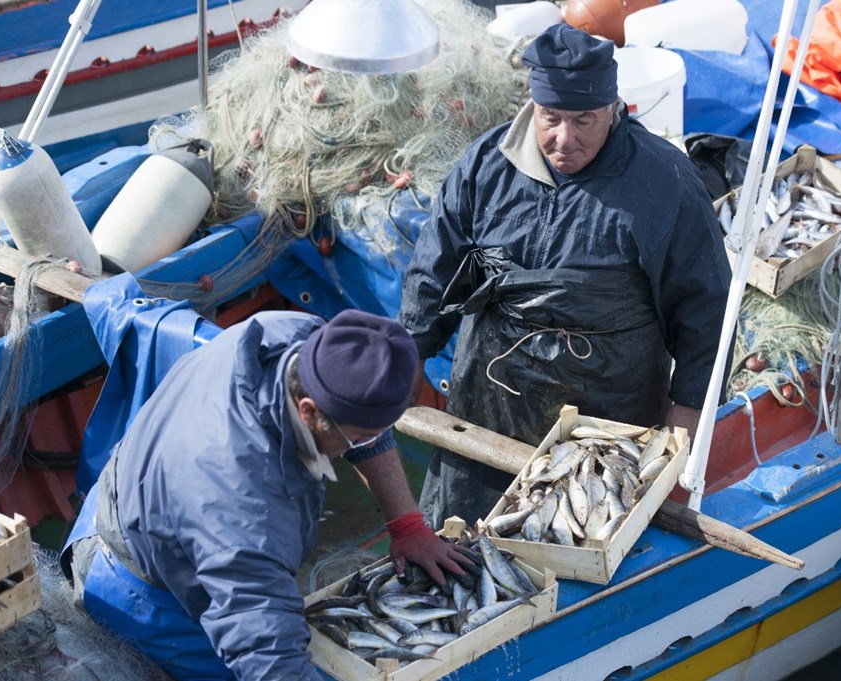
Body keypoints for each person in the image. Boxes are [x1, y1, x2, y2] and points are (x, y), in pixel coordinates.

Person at [399, 24, 732, 528]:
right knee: (465, 537)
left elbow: (706, 308)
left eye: (584, 121)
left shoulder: (666, 183)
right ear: (532, 105)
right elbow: (434, 269)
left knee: (584, 539)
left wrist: (684, 417)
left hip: (605, 410)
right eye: (550, 117)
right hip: (492, 397)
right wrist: (410, 353)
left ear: (615, 109)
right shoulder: (486, 165)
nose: (565, 138)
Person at [63, 309, 475, 680]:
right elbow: (268, 659)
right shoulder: (243, 508)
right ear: (310, 412)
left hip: (144, 493)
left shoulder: (297, 337)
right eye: (359, 438)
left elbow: (358, 418)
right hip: (139, 588)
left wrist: (406, 523)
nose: (365, 444)